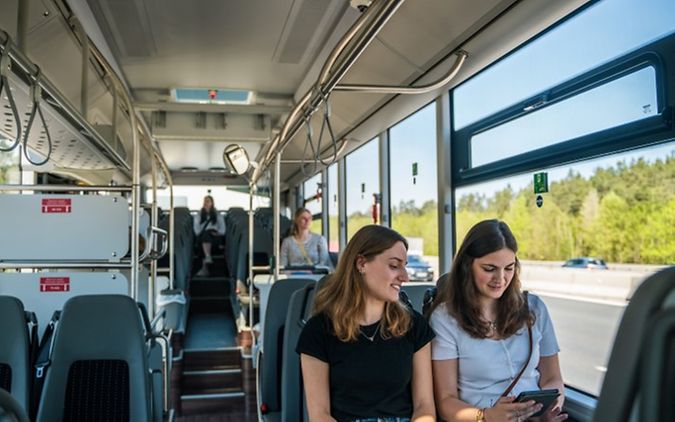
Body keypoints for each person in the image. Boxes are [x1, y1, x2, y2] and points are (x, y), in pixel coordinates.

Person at [429, 220, 567, 422]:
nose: (500, 279)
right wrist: (485, 416)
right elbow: (446, 401)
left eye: (509, 268)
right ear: (468, 266)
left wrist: (549, 409)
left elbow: (552, 378)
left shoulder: (534, 308)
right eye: (489, 268)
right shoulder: (445, 319)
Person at [297, 225, 436, 422]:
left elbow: (425, 407)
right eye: (394, 266)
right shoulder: (318, 331)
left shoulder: (414, 326)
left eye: (404, 266)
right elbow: (320, 415)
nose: (405, 277)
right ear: (361, 263)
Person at [193, 195, 225, 276]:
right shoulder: (199, 215)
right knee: (205, 234)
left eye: (208, 201)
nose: (205, 203)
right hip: (203, 237)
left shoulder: (218, 215)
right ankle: (207, 258)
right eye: (205, 201)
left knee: (207, 234)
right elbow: (196, 231)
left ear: (212, 203)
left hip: (215, 237)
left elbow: (223, 230)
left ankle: (207, 259)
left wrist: (216, 233)